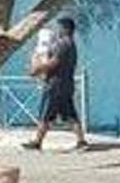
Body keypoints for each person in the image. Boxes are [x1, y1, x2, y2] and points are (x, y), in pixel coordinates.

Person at [23, 11, 85, 152]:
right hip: (66, 84)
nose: (57, 31)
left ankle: (37, 141)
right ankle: (81, 141)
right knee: (70, 114)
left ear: (66, 29)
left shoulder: (63, 45)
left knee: (46, 113)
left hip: (55, 85)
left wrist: (36, 70)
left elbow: (53, 63)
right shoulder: (71, 45)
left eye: (59, 28)